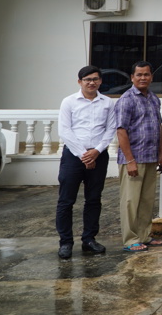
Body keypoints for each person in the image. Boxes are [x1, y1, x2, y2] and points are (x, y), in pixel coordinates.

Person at [55, 65, 117, 259]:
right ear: (79, 82)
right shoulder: (69, 102)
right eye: (87, 79)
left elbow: (110, 129)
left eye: (95, 79)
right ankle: (66, 242)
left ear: (100, 81)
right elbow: (65, 130)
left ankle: (89, 239)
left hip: (99, 155)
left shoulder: (108, 103)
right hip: (73, 156)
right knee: (66, 200)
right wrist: (84, 155)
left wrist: (96, 152)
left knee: (93, 199)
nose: (92, 83)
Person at [115, 61, 162, 253]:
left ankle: (144, 235)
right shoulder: (127, 99)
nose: (143, 78)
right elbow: (121, 131)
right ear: (132, 77)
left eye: (146, 74)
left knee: (146, 200)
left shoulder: (153, 98)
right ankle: (130, 239)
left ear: (151, 77)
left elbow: (158, 127)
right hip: (133, 159)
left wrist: (161, 154)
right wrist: (130, 161)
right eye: (139, 75)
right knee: (130, 201)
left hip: (151, 157)